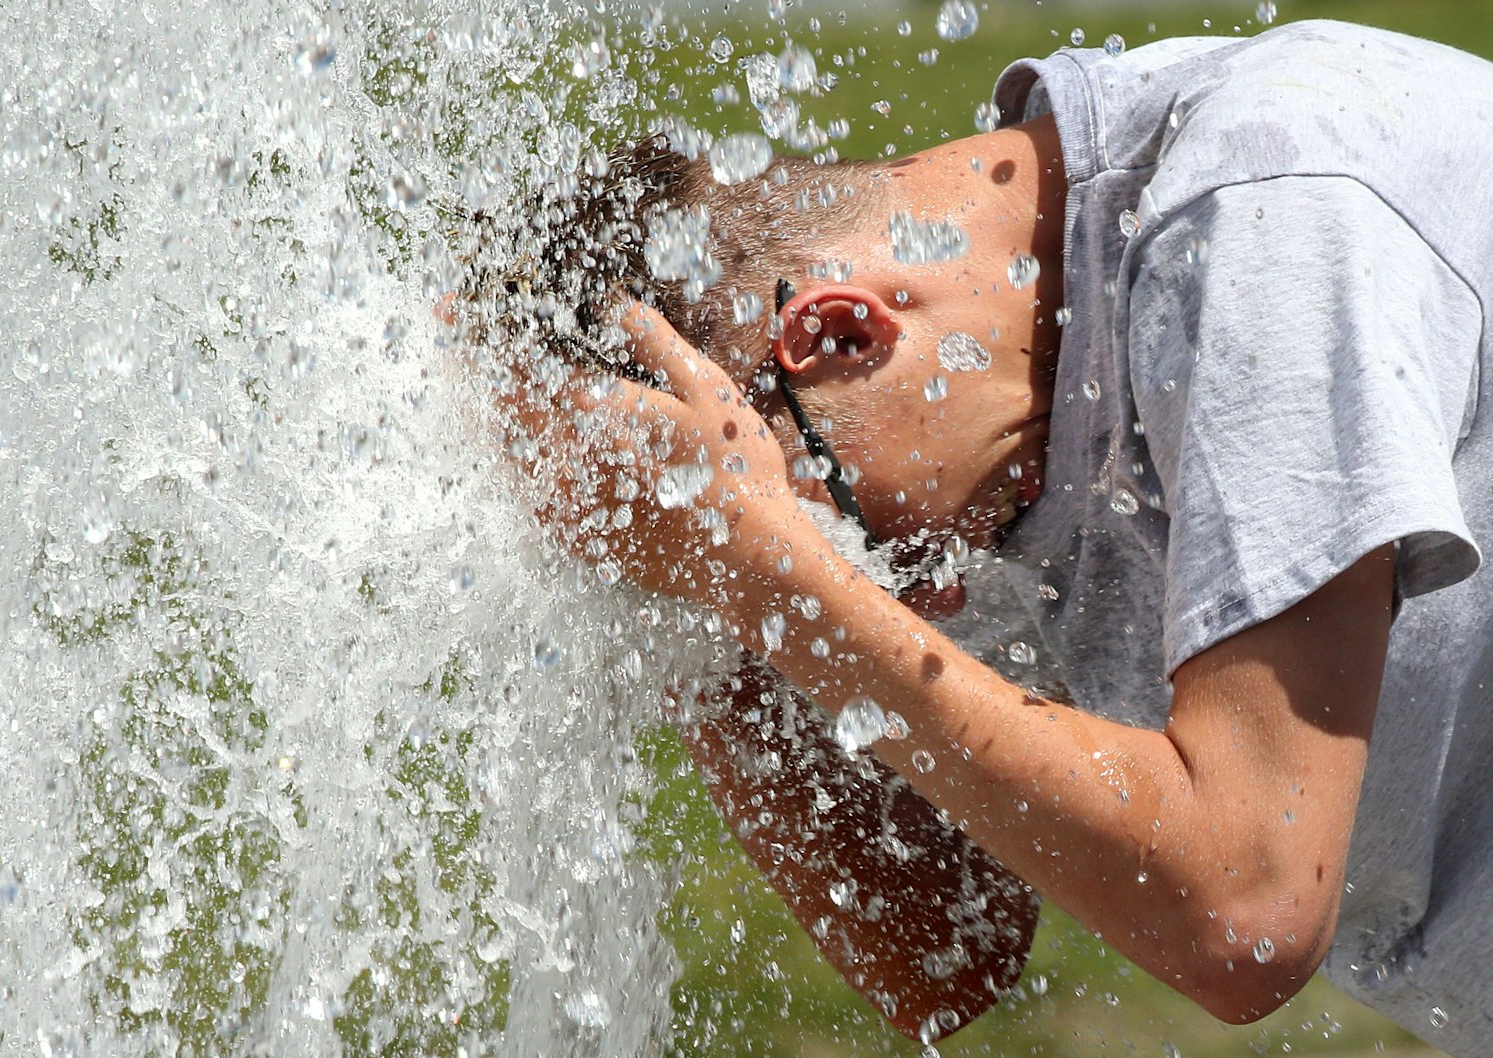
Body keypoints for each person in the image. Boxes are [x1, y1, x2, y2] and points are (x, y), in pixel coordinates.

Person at [473, 18, 1493, 1055]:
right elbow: (940, 950)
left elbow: (1246, 903)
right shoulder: (978, 412)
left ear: (834, 333)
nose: (919, 603)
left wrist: (764, 568)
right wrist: (705, 579)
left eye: (843, 537)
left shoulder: (1266, 215)